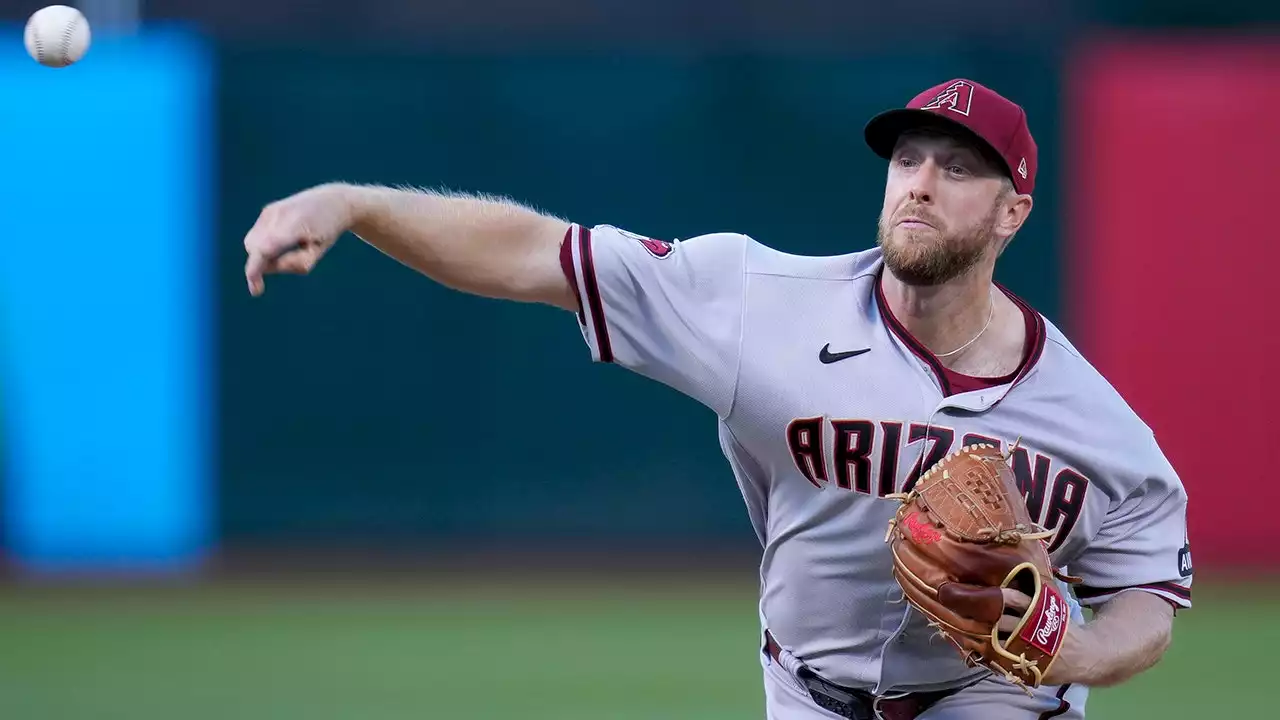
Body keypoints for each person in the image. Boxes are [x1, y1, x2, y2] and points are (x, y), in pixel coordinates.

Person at [242, 78, 1191, 719]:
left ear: (1013, 211)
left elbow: (1148, 600)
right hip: (809, 689)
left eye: (959, 167)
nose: (921, 185)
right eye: (909, 160)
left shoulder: (1093, 424)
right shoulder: (756, 300)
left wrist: (1073, 656)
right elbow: (536, 253)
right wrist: (354, 203)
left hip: (995, 698)